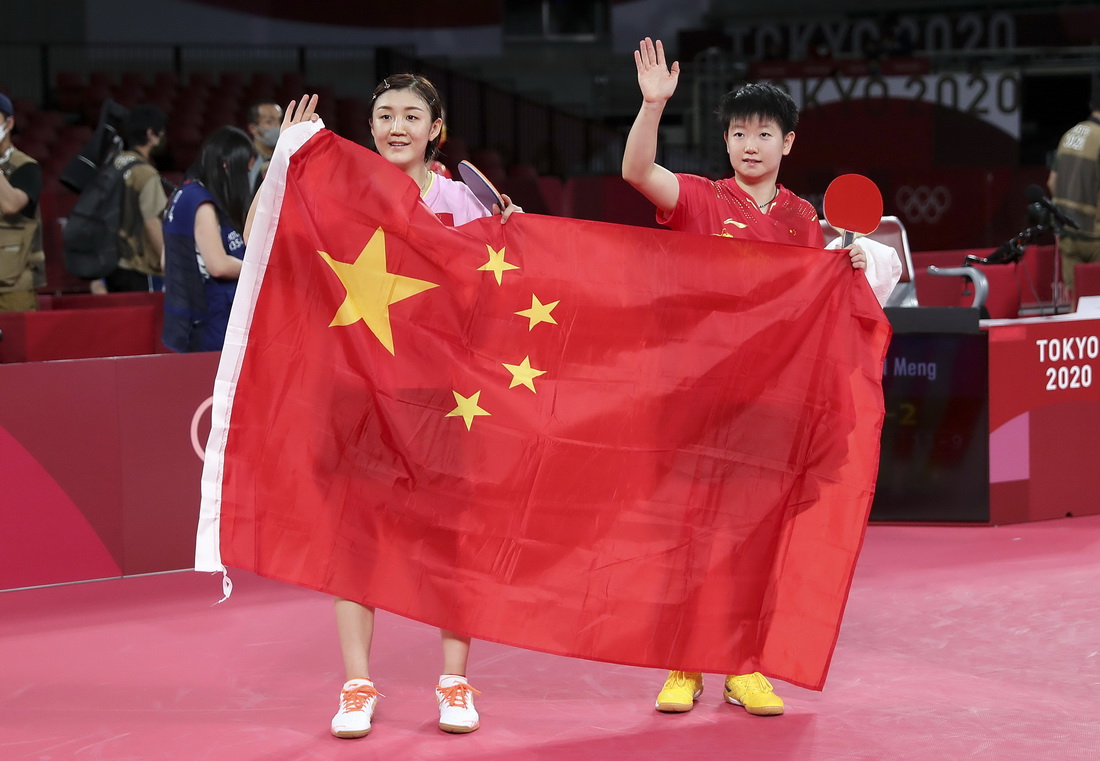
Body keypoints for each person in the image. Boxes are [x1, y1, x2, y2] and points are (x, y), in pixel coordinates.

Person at [622, 37, 899, 717]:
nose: (751, 144)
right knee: (692, 531)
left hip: (776, 404)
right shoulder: (700, 198)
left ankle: (743, 665)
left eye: (765, 133)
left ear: (788, 143)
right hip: (702, 394)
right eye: (740, 133)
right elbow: (637, 171)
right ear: (725, 141)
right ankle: (684, 663)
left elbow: (830, 305)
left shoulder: (805, 219)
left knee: (758, 535)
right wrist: (652, 106)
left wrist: (855, 265)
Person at [259, 76, 521, 741]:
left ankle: (454, 680)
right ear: (370, 126)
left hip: (442, 398)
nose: (396, 126)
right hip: (360, 390)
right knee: (356, 538)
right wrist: (282, 160)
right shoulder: (339, 190)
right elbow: (262, 232)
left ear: (436, 128)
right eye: (384, 115)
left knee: (448, 536)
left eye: (410, 115)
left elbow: (499, 290)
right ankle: (357, 684)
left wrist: (513, 238)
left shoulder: (461, 200)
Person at [161, 126, 256, 352]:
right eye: (243, 172)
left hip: (189, 319)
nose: (244, 180)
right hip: (209, 321)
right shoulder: (201, 203)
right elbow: (218, 266)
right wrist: (261, 268)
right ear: (226, 165)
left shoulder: (182, 193)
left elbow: (166, 261)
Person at [104, 104, 170, 293]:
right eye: (161, 131)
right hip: (136, 266)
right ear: (150, 134)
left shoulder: (114, 164)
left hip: (111, 263)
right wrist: (170, 265)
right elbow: (152, 223)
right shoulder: (145, 173)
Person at [1047, 76, 1100, 297]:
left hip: (1068, 234)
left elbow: (1051, 182)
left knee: (1076, 300)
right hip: (1096, 237)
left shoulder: (1068, 135)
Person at [0, 93, 45, 312]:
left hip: (12, 285)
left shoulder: (26, 168)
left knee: (14, 335)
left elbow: (11, 205)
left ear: (8, 123)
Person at [245, 99, 281, 192]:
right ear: (253, 128)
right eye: (269, 122)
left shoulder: (286, 157)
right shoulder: (246, 160)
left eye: (280, 120)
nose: (278, 126)